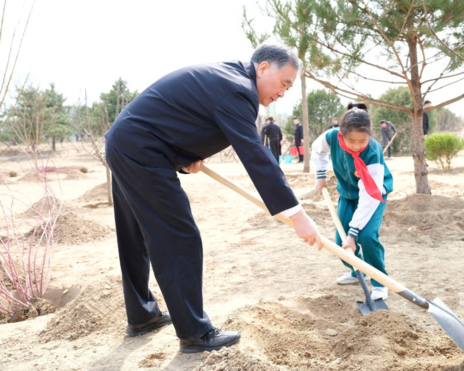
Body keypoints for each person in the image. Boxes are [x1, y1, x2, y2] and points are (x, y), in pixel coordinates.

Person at [105, 43, 322, 354]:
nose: (283, 93)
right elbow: (256, 157)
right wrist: (297, 215)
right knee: (179, 237)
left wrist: (183, 156)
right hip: (141, 151)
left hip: (127, 143)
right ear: (262, 68)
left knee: (135, 235)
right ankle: (195, 333)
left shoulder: (229, 79)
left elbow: (181, 118)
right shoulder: (237, 89)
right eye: (284, 83)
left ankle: (142, 315)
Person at [311, 104, 394, 301]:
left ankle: (379, 281)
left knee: (366, 236)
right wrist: (320, 175)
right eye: (351, 141)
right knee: (341, 242)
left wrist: (353, 232)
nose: (356, 146)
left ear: (369, 135)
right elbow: (318, 149)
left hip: (373, 196)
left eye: (362, 141)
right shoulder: (332, 137)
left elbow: (368, 197)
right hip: (347, 195)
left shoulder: (372, 152)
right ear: (341, 133)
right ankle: (358, 270)